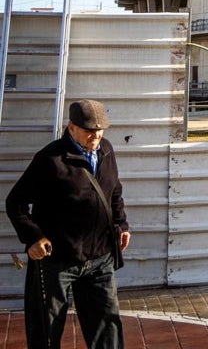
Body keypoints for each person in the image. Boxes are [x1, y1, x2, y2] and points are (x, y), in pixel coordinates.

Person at [6, 99, 131, 349]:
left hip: (99, 258)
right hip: (57, 261)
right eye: (88, 130)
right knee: (47, 330)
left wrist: (122, 224)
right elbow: (15, 202)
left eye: (99, 129)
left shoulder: (106, 149)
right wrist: (33, 238)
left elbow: (114, 191)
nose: (95, 135)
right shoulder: (50, 160)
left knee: (108, 327)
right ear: (71, 128)